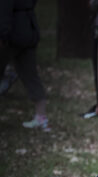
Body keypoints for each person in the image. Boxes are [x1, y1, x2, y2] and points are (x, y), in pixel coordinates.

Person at [0, 0, 50, 131]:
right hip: (28, 31)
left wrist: (2, 35)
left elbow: (4, 10)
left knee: (30, 75)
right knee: (31, 76)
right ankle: (41, 116)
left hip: (13, 33)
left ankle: (41, 117)